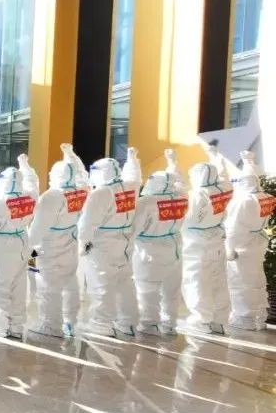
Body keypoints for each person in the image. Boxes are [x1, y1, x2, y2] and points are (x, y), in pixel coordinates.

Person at [77, 147, 142, 337]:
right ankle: (128, 322)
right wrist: (132, 159)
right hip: (125, 243)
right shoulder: (130, 187)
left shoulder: (101, 193)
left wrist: (83, 245)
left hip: (103, 245)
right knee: (124, 284)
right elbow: (135, 176)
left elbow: (87, 223)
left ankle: (101, 324)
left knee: (101, 285)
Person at [27, 144, 88, 337]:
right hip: (70, 243)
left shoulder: (52, 196)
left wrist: (27, 250)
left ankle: (51, 326)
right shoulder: (80, 190)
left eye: (52, 173)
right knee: (70, 282)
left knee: (48, 287)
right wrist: (70, 155)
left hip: (50, 248)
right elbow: (81, 173)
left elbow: (37, 230)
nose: (49, 175)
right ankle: (70, 321)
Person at [0, 157, 40, 338]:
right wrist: (26, 166)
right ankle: (17, 326)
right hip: (22, 243)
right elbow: (32, 182)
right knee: (19, 286)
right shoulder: (29, 197)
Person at [130, 149, 187, 335]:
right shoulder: (181, 197)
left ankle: (149, 324)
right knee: (171, 290)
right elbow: (179, 181)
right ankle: (170, 323)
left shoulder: (147, 202)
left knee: (147, 290)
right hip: (174, 249)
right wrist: (172, 163)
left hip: (149, 252)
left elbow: (133, 229)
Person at [182, 144, 235, 334]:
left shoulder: (195, 196)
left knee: (196, 281)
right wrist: (215, 157)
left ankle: (201, 320)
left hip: (196, 244)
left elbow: (187, 219)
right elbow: (224, 176)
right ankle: (220, 320)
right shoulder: (224, 189)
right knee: (218, 281)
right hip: (217, 240)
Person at [226, 150, 273, 330]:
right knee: (257, 279)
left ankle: (245, 318)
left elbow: (232, 227)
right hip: (258, 242)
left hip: (242, 246)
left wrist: (229, 248)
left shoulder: (243, 201)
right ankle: (259, 316)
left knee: (240, 282)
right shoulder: (267, 197)